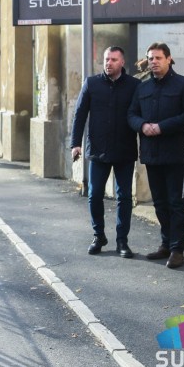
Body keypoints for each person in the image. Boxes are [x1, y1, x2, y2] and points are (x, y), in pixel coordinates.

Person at [128, 42, 184, 269]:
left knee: (176, 202)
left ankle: (177, 249)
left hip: (175, 154)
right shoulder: (143, 87)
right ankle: (166, 244)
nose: (153, 62)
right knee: (159, 203)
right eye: (150, 58)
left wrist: (161, 127)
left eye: (158, 58)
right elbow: (131, 114)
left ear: (168, 59)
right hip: (151, 154)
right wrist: (142, 125)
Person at [70, 46, 140, 258]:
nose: (109, 63)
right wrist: (75, 143)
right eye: (106, 59)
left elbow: (139, 114)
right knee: (94, 194)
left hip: (124, 149)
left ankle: (122, 241)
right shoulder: (91, 83)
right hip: (98, 149)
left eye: (113, 60)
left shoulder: (134, 85)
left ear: (122, 62)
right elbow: (80, 114)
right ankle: (98, 236)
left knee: (124, 197)